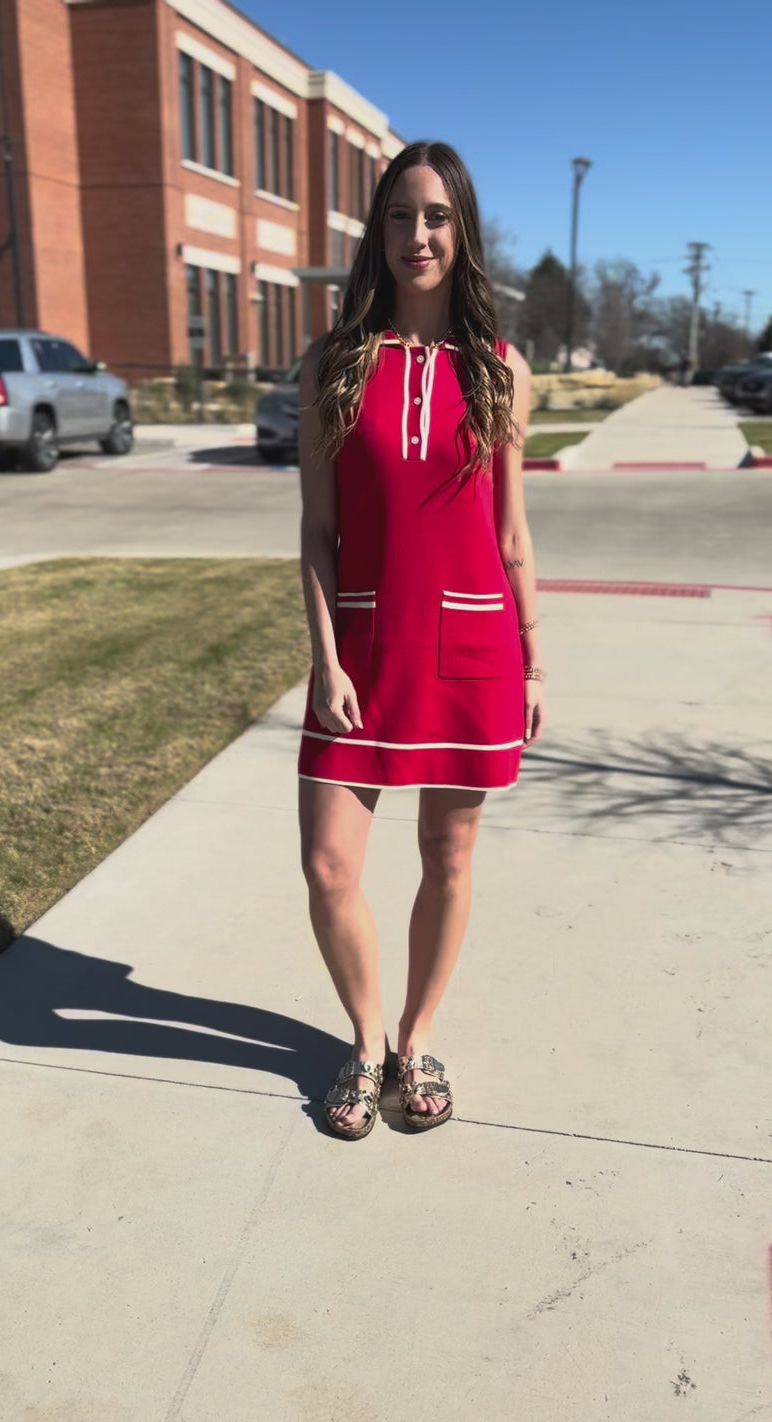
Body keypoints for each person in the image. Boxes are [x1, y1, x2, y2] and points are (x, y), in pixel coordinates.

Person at [297, 140, 546, 1140]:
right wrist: (321, 656)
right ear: (377, 232)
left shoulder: (497, 371)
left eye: (436, 217)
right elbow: (318, 530)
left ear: (462, 232)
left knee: (447, 855)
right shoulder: (333, 364)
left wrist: (532, 651)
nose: (417, 236)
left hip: (470, 644)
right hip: (357, 647)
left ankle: (415, 1037)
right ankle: (362, 1042)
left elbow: (511, 533)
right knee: (327, 866)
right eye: (399, 217)